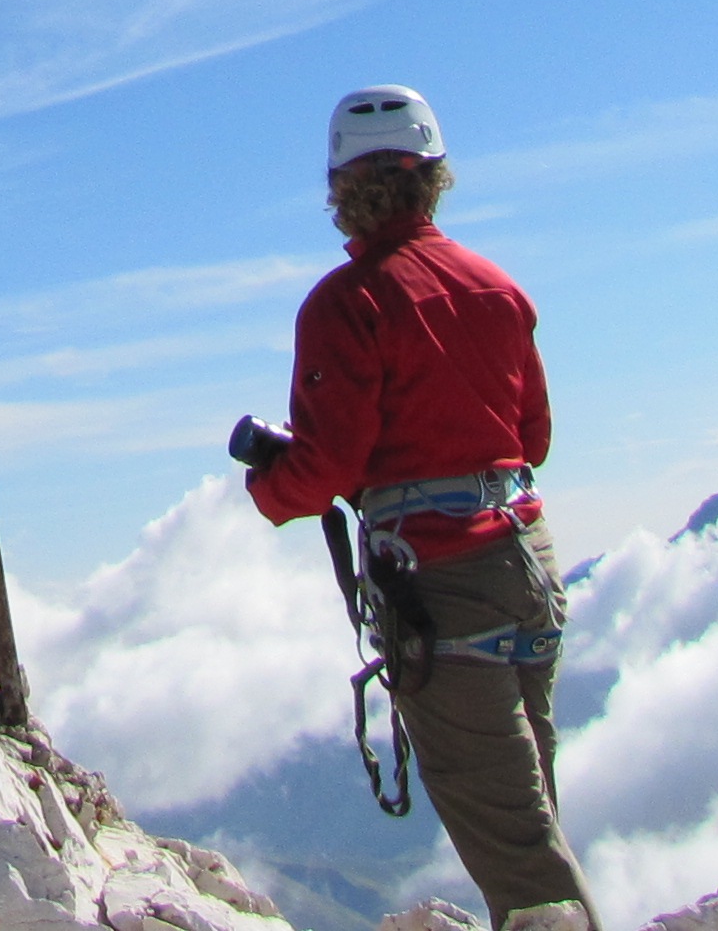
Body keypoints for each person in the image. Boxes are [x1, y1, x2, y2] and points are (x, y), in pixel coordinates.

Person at [226, 86, 594, 931]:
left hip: (442, 580)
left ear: (341, 190)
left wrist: (271, 487)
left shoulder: (347, 303)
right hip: (526, 562)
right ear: (434, 178)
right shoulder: (497, 288)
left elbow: (329, 466)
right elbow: (529, 437)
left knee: (521, 857)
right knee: (529, 818)